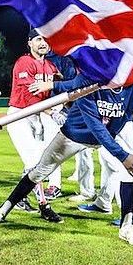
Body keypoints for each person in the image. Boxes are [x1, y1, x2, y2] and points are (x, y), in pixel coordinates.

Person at [0, 73, 133, 247]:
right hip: (74, 135)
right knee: (39, 171)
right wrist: (122, 155)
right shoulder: (90, 80)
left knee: (131, 170)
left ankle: (127, 226)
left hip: (108, 136)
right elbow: (95, 126)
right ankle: (1, 212)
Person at [5, 28, 64, 214]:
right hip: (20, 116)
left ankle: (20, 198)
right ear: (30, 43)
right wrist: (52, 113)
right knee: (34, 162)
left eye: (46, 39)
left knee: (37, 161)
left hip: (36, 117)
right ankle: (44, 205)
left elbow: (60, 89)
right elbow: (30, 96)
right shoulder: (25, 62)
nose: (43, 42)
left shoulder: (50, 67)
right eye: (38, 39)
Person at [46, 48, 95, 202]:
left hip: (74, 107)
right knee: (48, 147)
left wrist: (67, 109)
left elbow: (75, 85)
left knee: (85, 151)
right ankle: (52, 185)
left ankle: (87, 191)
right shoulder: (46, 58)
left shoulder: (73, 56)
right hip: (51, 107)